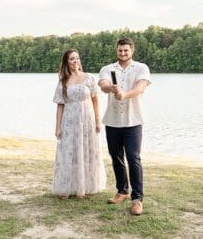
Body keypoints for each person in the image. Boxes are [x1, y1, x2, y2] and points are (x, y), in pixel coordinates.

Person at [99, 38, 151, 216]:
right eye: (120, 51)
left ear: (132, 51)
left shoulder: (141, 68)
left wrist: (125, 94)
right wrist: (111, 89)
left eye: (126, 51)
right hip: (112, 121)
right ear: (117, 51)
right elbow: (103, 85)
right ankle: (122, 191)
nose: (123, 54)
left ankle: (137, 199)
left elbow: (141, 86)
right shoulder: (107, 69)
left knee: (133, 158)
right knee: (116, 157)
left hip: (133, 121)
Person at [52, 49, 106, 199]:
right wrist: (57, 127)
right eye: (71, 59)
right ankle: (67, 187)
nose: (75, 61)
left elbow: (95, 100)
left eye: (77, 58)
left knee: (87, 151)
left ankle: (86, 185)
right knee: (69, 152)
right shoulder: (63, 81)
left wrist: (97, 120)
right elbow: (60, 105)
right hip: (69, 120)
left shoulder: (89, 78)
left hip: (87, 119)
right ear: (66, 62)